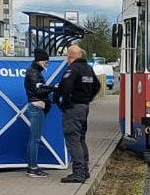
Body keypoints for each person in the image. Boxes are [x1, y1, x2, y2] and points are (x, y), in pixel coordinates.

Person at [56, 45, 99, 184]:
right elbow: (97, 86)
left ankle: (78, 173)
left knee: (73, 139)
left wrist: (64, 102)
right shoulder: (88, 69)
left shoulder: (73, 68)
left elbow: (65, 87)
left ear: (69, 56)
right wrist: (87, 99)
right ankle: (85, 170)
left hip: (73, 108)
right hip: (84, 107)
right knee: (80, 138)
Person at [24, 48, 53, 178]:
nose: (46, 64)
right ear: (40, 60)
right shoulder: (33, 72)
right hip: (37, 108)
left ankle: (31, 166)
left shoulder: (33, 71)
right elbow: (39, 90)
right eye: (46, 61)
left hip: (36, 107)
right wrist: (54, 88)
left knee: (33, 139)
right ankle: (33, 169)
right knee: (35, 139)